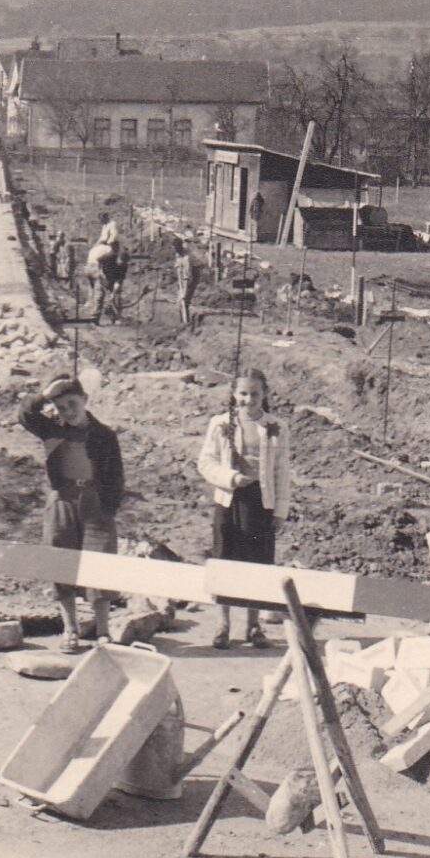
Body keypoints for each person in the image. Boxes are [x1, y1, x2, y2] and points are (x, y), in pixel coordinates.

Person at [18, 374, 126, 652]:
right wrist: (44, 395)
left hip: (95, 501)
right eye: (61, 407)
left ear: (85, 400)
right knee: (60, 561)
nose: (68, 411)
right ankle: (70, 629)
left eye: (72, 404)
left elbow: (116, 476)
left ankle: (103, 631)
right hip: (62, 499)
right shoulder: (51, 429)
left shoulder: (104, 435)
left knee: (99, 562)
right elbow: (25, 414)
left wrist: (108, 507)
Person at [196, 368, 291, 650]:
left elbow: (282, 471)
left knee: (258, 563)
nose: (248, 400)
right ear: (234, 394)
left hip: (261, 503)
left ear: (265, 394)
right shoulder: (220, 423)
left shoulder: (277, 427)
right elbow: (206, 462)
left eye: (255, 394)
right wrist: (231, 478)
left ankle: (253, 625)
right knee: (224, 560)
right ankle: (223, 625)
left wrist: (280, 511)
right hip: (230, 499)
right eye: (243, 393)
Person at [172, 236, 200, 328]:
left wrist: (184, 291)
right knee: (179, 302)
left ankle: (186, 323)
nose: (175, 251)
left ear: (179, 248)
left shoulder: (187, 258)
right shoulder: (178, 254)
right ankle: (182, 323)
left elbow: (187, 276)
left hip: (192, 278)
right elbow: (178, 266)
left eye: (176, 249)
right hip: (183, 277)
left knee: (185, 300)